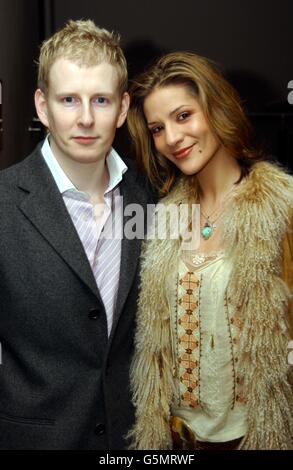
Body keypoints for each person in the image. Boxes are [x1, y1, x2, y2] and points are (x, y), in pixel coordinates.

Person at [127, 51, 293, 450]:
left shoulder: (282, 208)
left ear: (216, 109)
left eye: (183, 116)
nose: (172, 139)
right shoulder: (162, 218)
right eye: (157, 128)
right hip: (175, 440)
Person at [0, 19, 153, 450]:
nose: (86, 119)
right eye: (69, 100)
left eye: (100, 100)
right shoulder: (4, 203)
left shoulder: (150, 200)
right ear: (42, 106)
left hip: (131, 443)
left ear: (122, 109)